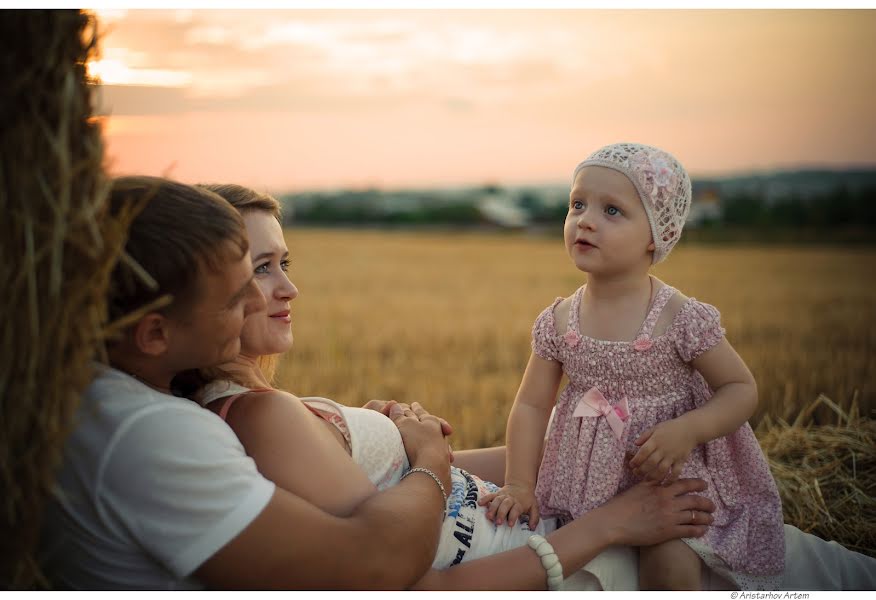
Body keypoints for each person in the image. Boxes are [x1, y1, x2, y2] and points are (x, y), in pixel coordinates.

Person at [38, 176, 715, 590]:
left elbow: (440, 495)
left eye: (275, 264)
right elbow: (390, 573)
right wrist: (425, 456)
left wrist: (603, 458)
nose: (272, 292)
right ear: (161, 326)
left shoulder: (238, 412)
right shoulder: (218, 422)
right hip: (556, 565)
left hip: (534, 527)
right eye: (244, 278)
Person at [477, 142, 785, 590]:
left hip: (666, 483)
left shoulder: (678, 317)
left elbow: (740, 388)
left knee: (669, 566)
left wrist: (688, 430)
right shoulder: (560, 321)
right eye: (577, 204)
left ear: (655, 236)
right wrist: (521, 484)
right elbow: (530, 405)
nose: (585, 219)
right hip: (583, 484)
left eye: (612, 211)